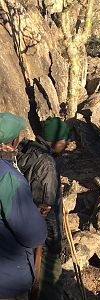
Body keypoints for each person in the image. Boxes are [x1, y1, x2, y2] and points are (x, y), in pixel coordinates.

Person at [17, 117, 70, 300]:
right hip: (42, 239)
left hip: (23, 231)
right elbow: (45, 210)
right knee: (51, 285)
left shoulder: (28, 149)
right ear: (55, 141)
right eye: (64, 141)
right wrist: (56, 241)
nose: (65, 145)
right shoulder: (47, 164)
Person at [0, 112, 47, 300]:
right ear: (12, 142)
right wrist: (35, 218)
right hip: (7, 279)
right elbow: (32, 234)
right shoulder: (8, 177)